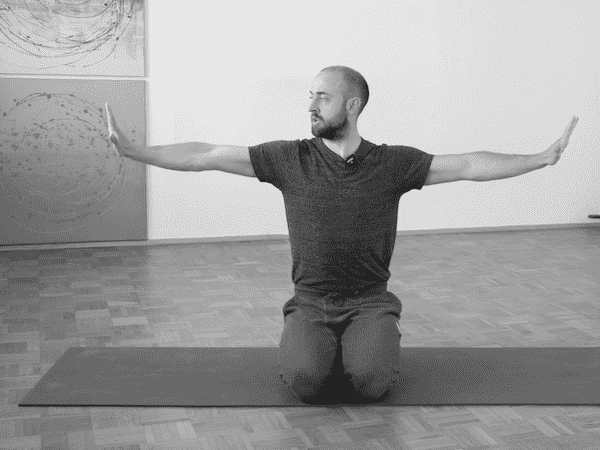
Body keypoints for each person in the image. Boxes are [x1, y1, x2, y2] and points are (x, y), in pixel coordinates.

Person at [106, 66, 578, 404]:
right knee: (305, 384)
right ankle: (318, 342)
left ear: (352, 105)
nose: (311, 106)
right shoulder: (289, 158)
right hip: (311, 300)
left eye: (323, 97)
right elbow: (205, 154)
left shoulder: (393, 163)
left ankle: (368, 339)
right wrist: (135, 151)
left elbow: (469, 165)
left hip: (369, 300)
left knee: (372, 384)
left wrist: (539, 158)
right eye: (310, 96)